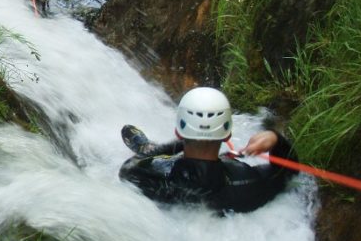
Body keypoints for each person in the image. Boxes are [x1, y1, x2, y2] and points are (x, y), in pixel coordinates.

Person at [119, 86, 298, 213]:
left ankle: (147, 147)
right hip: (219, 185)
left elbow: (128, 167)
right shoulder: (247, 182)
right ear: (226, 135)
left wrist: (178, 143)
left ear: (178, 133)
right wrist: (275, 138)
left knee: (150, 153)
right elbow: (288, 171)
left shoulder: (150, 176)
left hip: (175, 176)